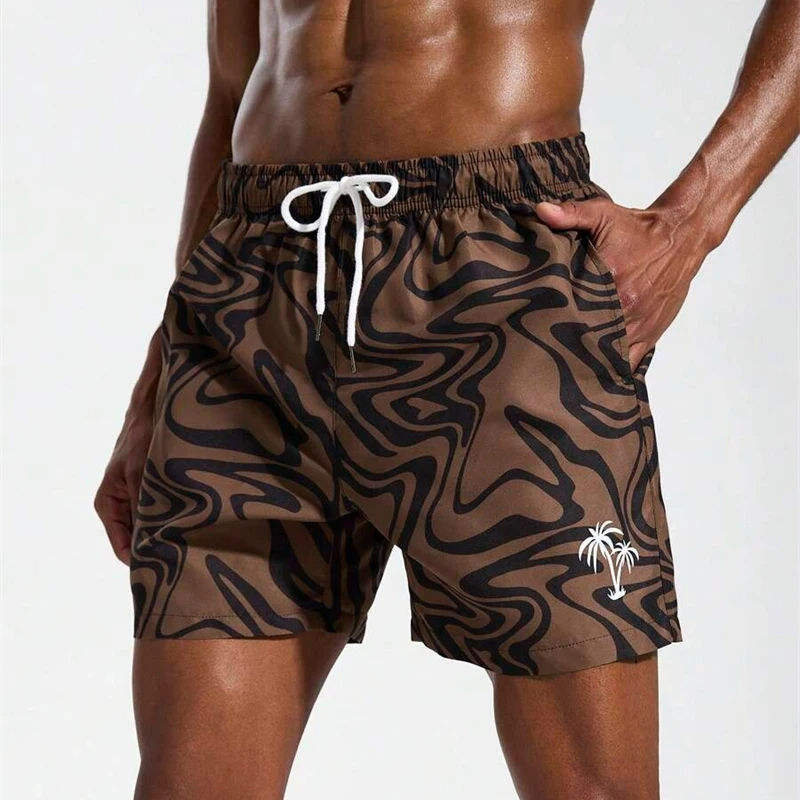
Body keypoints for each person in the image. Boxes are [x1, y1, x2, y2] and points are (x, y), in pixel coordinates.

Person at [94, 2, 799, 797]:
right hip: (254, 291)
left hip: (499, 286)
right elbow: (233, 84)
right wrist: (159, 375)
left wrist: (692, 221)